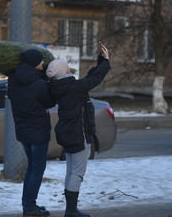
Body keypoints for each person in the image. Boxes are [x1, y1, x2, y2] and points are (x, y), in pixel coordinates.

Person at [46, 44, 111, 217]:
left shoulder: (63, 86)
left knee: (70, 171)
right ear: (63, 72)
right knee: (77, 172)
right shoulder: (71, 88)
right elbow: (95, 79)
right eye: (66, 66)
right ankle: (71, 210)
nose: (69, 68)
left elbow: (89, 78)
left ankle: (70, 209)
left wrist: (101, 59)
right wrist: (107, 61)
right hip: (78, 134)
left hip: (68, 133)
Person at [7, 48, 56, 217]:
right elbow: (49, 102)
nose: (43, 63)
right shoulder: (39, 83)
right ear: (35, 63)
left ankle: (29, 204)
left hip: (22, 129)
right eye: (41, 61)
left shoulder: (13, 78)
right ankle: (29, 207)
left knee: (31, 167)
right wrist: (46, 80)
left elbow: (12, 97)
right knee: (37, 168)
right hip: (39, 131)